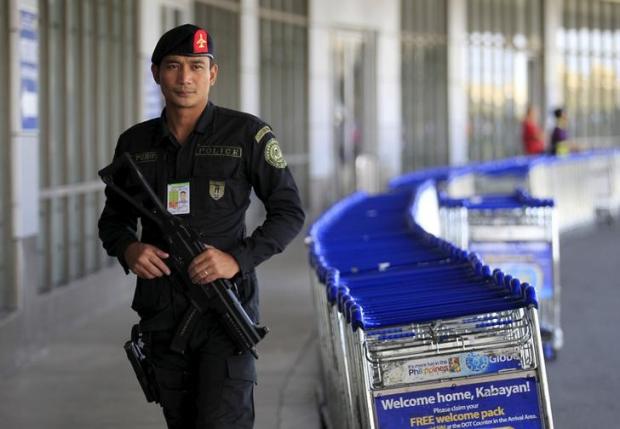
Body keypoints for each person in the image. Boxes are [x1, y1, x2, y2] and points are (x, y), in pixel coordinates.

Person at [98, 24, 305, 429]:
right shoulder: (135, 144)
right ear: (156, 73)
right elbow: (114, 220)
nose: (185, 77)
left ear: (213, 73)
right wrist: (128, 249)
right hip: (162, 315)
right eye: (173, 66)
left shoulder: (247, 135)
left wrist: (236, 259)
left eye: (196, 66)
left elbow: (289, 212)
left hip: (224, 311)